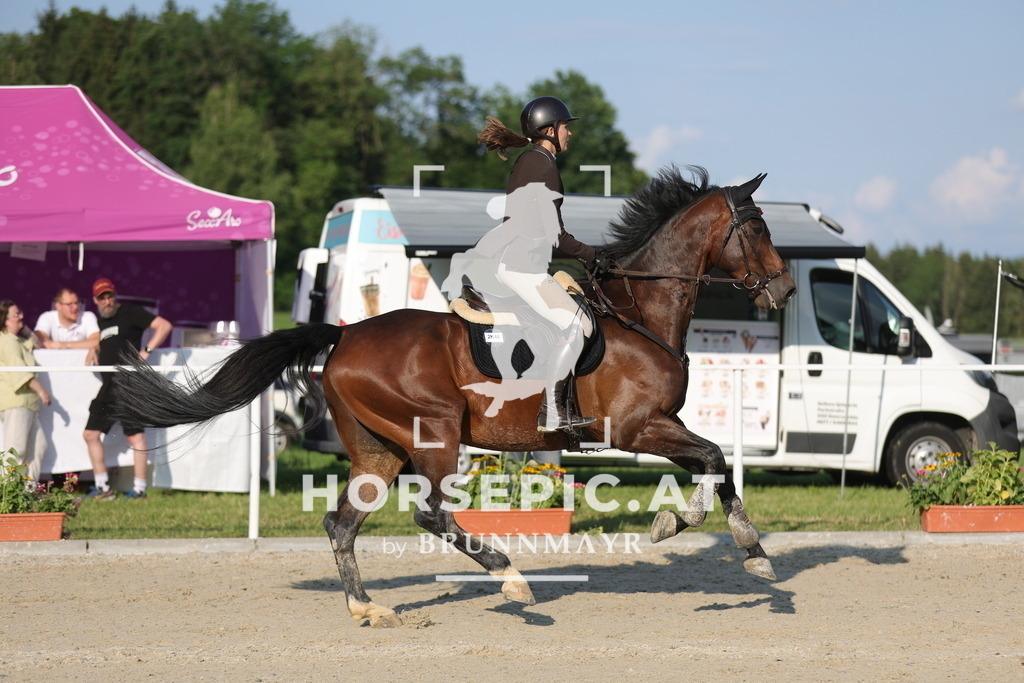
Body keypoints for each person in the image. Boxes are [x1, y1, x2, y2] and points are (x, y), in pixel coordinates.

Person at [452, 96, 607, 432]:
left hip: (521, 265)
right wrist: (592, 255)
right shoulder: (541, 165)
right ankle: (553, 413)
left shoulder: (533, 161)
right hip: (522, 269)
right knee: (578, 326)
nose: (569, 133)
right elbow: (556, 235)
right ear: (549, 130)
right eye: (565, 126)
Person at [83, 277, 172, 500]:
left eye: (109, 296)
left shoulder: (131, 312)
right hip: (108, 386)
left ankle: (140, 489)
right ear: (95, 300)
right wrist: (94, 348)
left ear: (115, 296)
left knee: (135, 436)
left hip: (128, 383)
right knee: (90, 434)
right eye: (102, 298)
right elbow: (106, 343)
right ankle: (103, 487)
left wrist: (147, 351)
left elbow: (164, 326)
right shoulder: (101, 322)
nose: (107, 301)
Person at [0, 300, 52, 484]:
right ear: (5, 320)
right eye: (16, 315)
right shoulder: (6, 341)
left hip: (28, 405)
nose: (21, 316)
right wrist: (42, 391)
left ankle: (28, 492)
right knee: (16, 450)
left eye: (20, 312)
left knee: (38, 448)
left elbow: (38, 344)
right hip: (16, 403)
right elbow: (20, 371)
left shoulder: (18, 341)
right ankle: (7, 492)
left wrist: (23, 326)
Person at [34, 287, 100, 365]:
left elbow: (97, 342)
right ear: (58, 306)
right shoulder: (47, 317)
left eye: (77, 303)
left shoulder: (88, 316)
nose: (76, 307)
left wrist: (62, 345)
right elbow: (38, 341)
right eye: (70, 304)